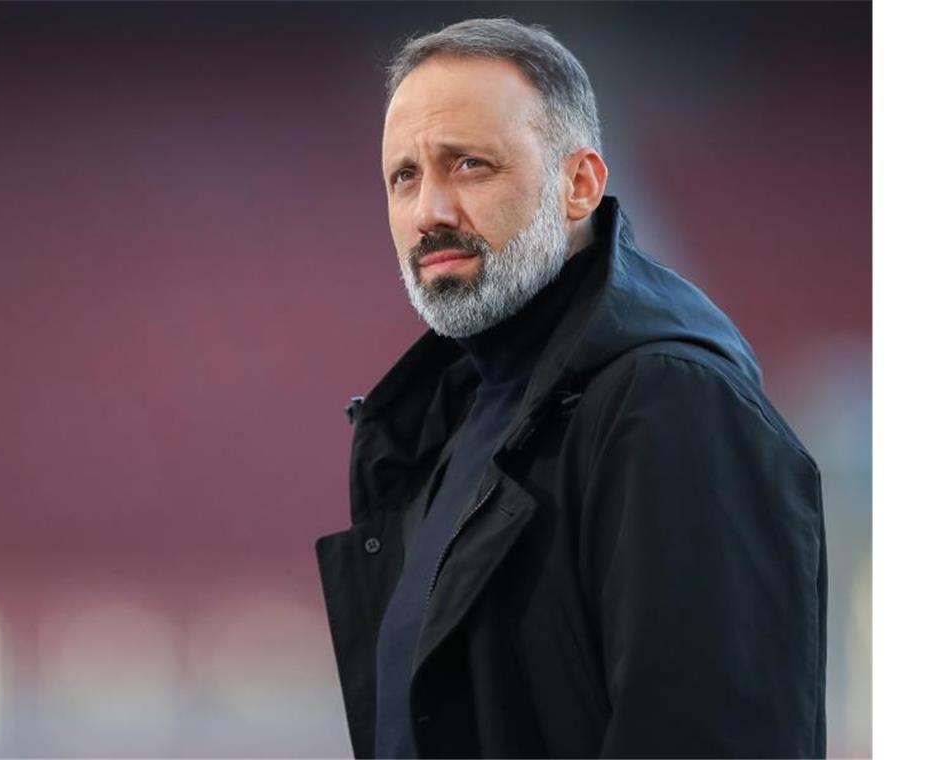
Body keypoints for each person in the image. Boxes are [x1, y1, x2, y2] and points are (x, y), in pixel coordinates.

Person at [315, 17, 826, 759]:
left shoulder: (675, 407)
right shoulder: (445, 423)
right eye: (406, 176)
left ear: (579, 184)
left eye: (470, 166)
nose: (430, 212)